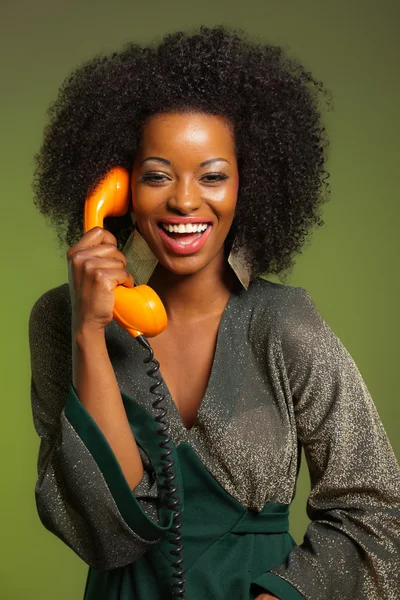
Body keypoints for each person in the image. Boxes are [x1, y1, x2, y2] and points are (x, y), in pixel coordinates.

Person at [28, 25, 400, 600]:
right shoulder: (61, 320)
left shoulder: (285, 324)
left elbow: (374, 510)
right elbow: (108, 538)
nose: (183, 199)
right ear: (118, 186)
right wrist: (89, 330)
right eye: (157, 175)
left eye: (213, 175)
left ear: (248, 185)